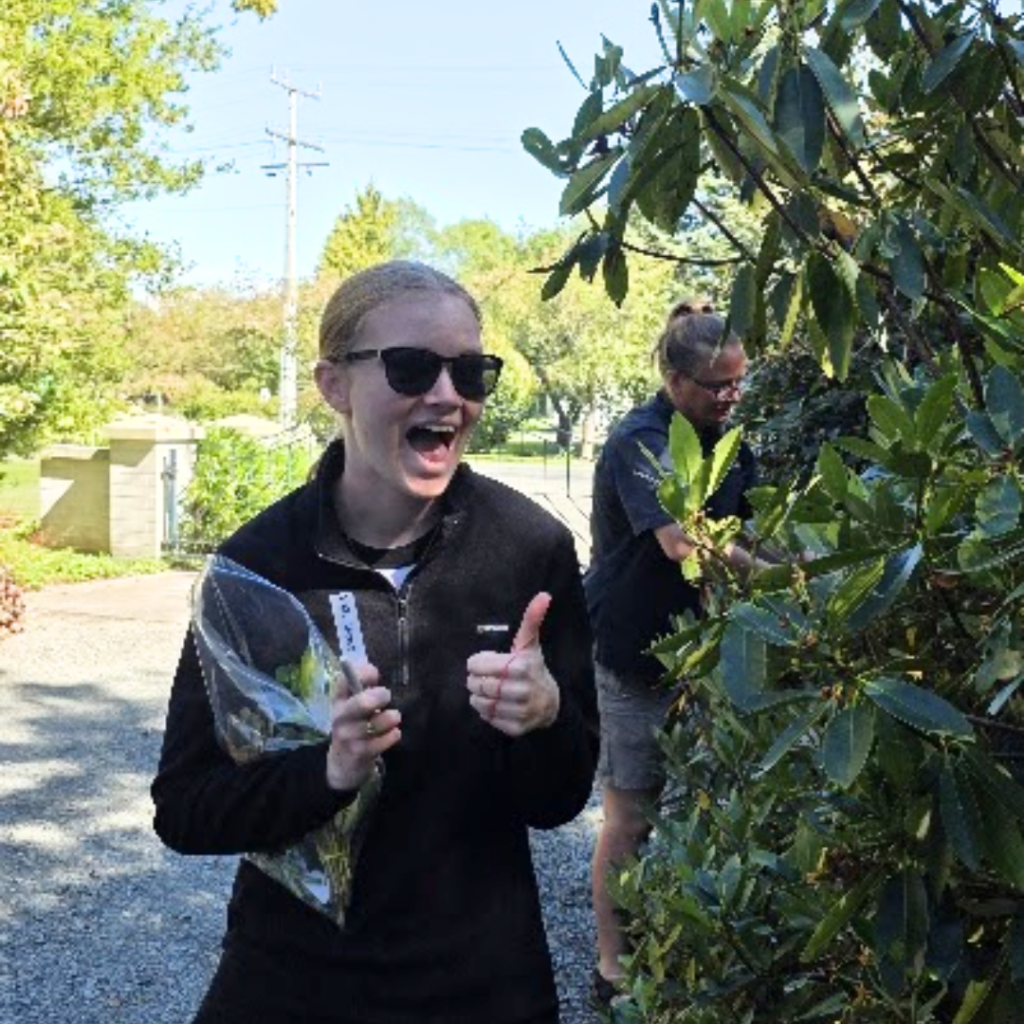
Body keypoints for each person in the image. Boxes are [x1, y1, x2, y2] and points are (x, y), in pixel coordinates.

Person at [151, 260, 598, 1024]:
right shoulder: (257, 569)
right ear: (333, 386)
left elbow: (557, 801)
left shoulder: (531, 550)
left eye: (470, 371)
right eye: (412, 366)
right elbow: (186, 810)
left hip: (480, 984)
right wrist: (327, 773)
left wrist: (546, 720)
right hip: (295, 983)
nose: (448, 395)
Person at [585, 298, 760, 1006]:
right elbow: (682, 543)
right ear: (674, 378)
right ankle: (611, 969)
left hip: (710, 650)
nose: (730, 395)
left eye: (738, 381)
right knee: (631, 815)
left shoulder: (731, 436)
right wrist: (775, 574)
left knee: (717, 805)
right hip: (637, 651)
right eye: (717, 384)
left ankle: (689, 945)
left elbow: (758, 520)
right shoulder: (642, 439)